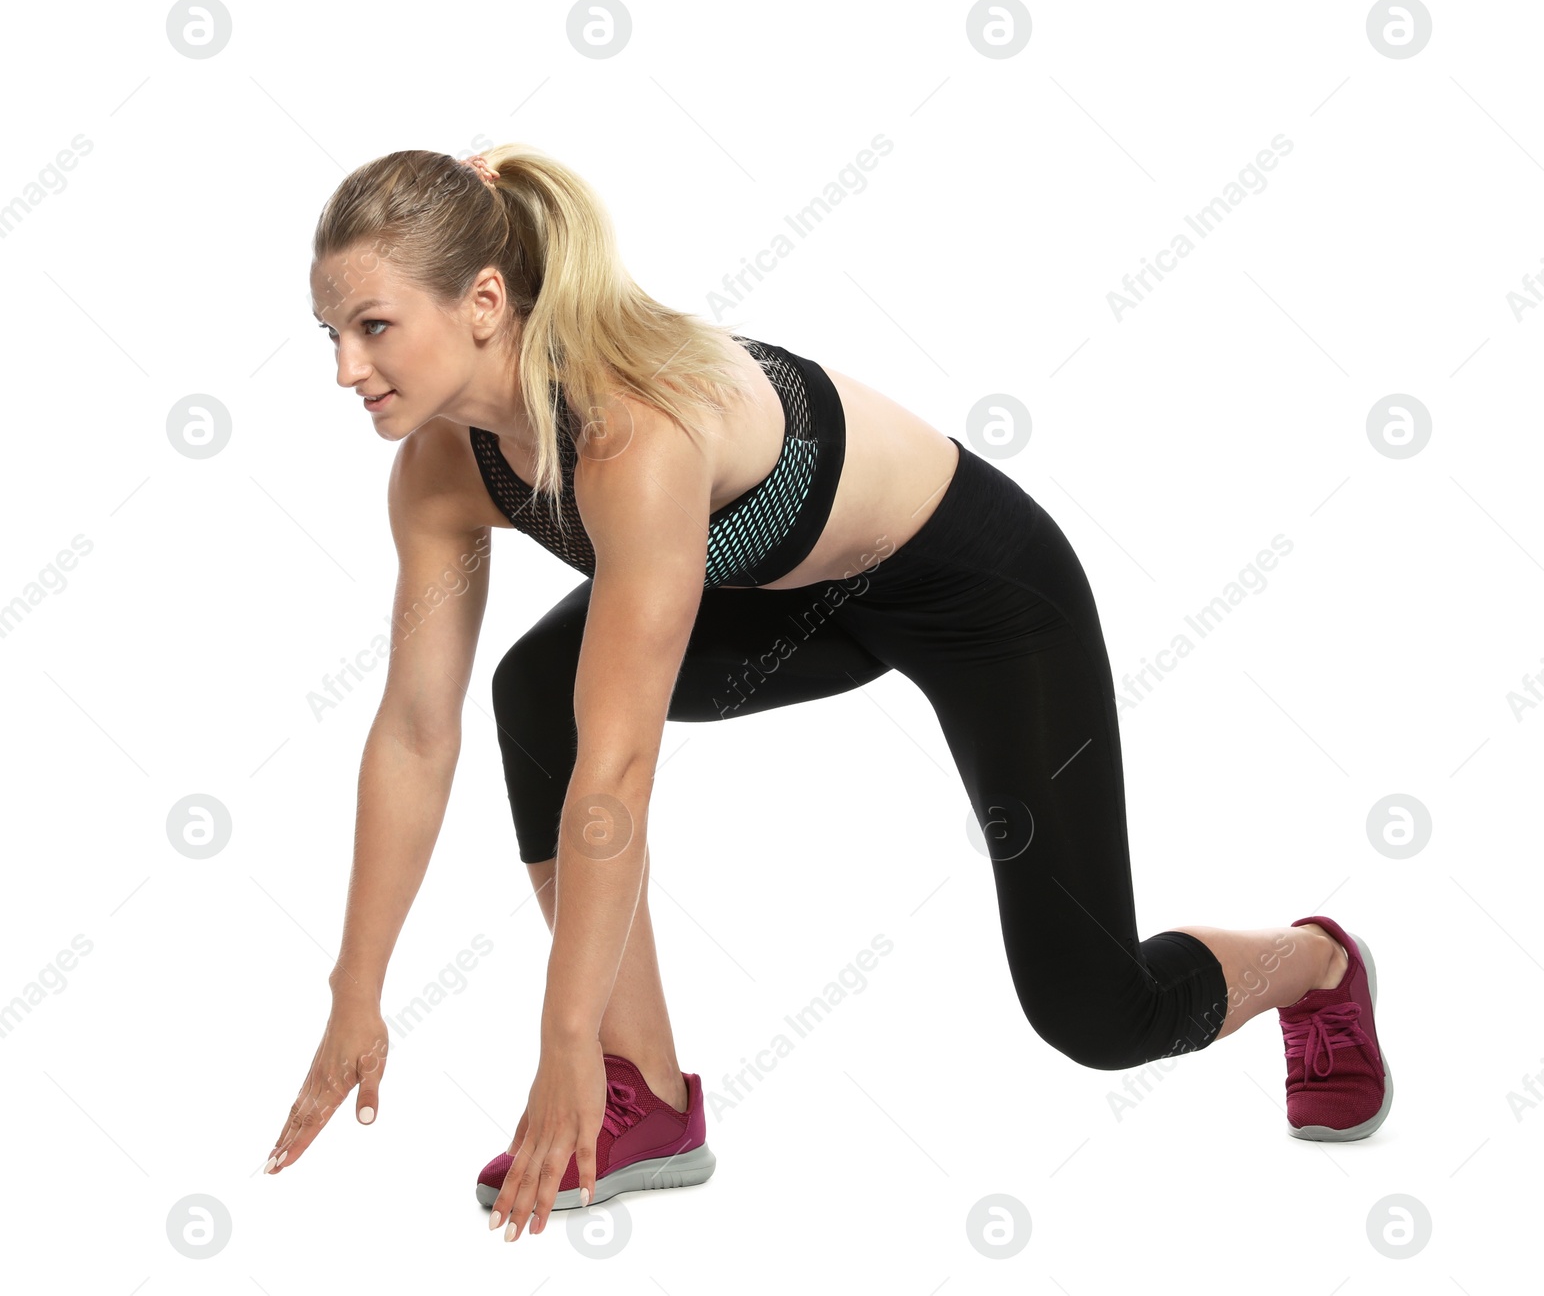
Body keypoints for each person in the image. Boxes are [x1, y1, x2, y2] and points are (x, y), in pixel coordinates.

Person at [265, 145, 1393, 1242]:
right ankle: (644, 1087)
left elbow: (618, 768)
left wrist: (554, 1037)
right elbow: (416, 731)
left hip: (978, 597)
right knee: (535, 693)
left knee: (1099, 1015)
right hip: (787, 604)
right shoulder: (439, 471)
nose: (346, 370)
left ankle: (1317, 962)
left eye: (373, 328)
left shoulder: (627, 433)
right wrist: (355, 991)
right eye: (331, 333)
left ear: (481, 300)